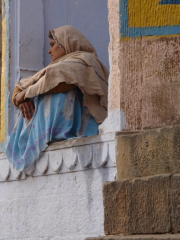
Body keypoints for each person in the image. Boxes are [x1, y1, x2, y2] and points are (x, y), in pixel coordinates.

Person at [6, 25, 109, 171]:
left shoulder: (85, 60)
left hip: (82, 131)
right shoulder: (52, 69)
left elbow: (61, 81)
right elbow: (22, 86)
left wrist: (26, 93)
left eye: (53, 45)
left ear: (66, 43)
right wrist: (22, 99)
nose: (49, 50)